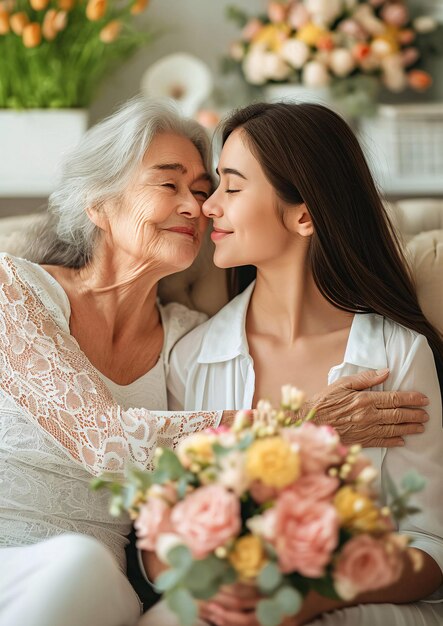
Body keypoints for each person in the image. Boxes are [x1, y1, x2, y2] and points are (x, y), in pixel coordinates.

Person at [0, 96, 430, 626]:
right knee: (80, 567)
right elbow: (103, 439)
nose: (199, 206)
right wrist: (302, 426)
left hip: (102, 592)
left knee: (93, 575)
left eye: (206, 189)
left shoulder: (186, 340)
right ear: (98, 202)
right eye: (169, 183)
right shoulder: (12, 290)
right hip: (21, 570)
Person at [165, 102, 443, 626]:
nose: (208, 208)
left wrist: (311, 597)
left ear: (304, 214)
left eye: (232, 186)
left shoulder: (399, 354)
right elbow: (170, 527)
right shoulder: (193, 358)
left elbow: (429, 548)